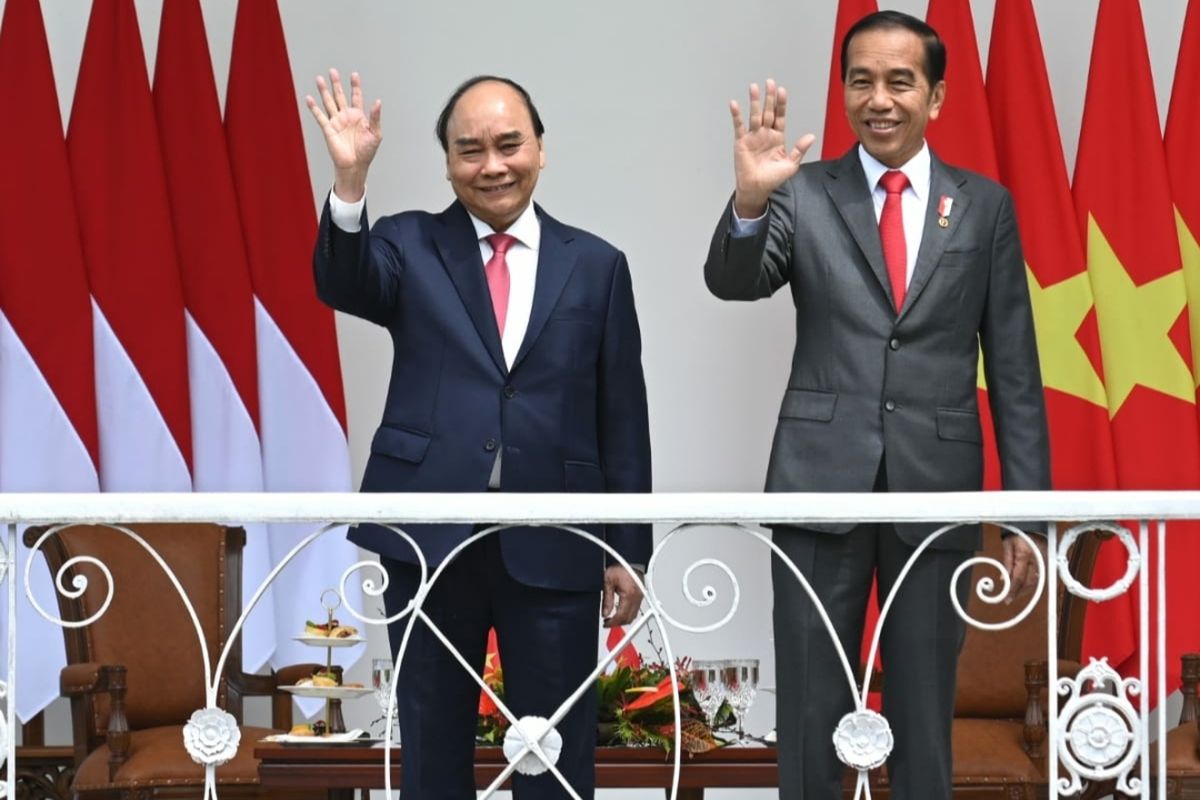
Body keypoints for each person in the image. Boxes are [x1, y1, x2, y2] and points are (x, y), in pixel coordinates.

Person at [702, 11, 1049, 799]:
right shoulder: (804, 192)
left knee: (926, 709)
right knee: (811, 703)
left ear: (937, 96)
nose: (879, 99)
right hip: (817, 481)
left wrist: (1027, 509)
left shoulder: (984, 206)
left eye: (900, 82)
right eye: (861, 81)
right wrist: (751, 203)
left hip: (936, 488)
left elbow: (1017, 370)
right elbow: (734, 281)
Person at [307, 71, 651, 799]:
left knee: (554, 755)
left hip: (556, 538)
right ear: (447, 163)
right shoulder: (407, 242)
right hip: (430, 537)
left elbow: (621, 413)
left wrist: (627, 548)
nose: (492, 165)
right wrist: (348, 180)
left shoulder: (596, 265)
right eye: (470, 151)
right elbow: (344, 284)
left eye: (508, 145)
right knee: (431, 751)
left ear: (540, 150)